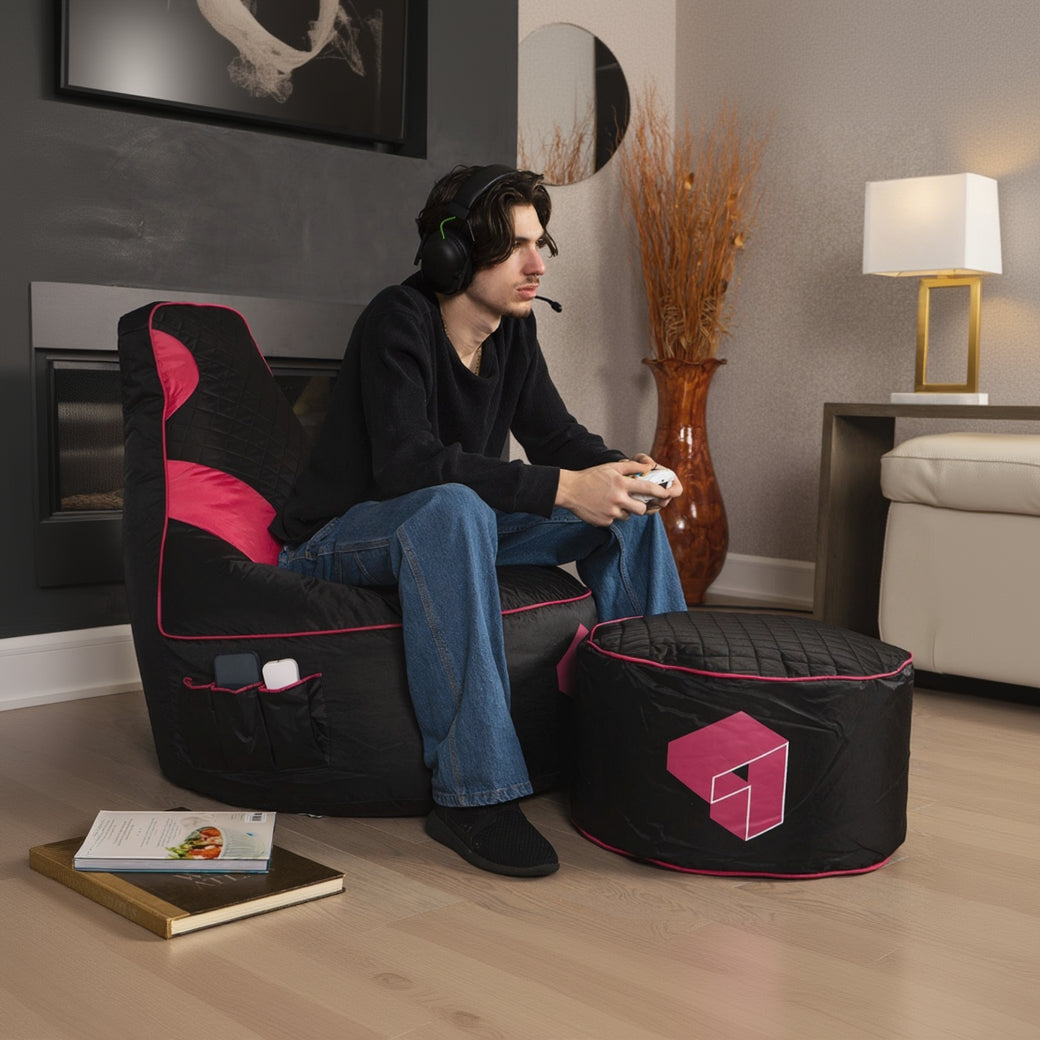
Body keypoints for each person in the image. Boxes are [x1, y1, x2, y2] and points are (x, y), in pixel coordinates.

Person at [271, 164, 687, 877]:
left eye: (539, 244)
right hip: (337, 536)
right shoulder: (397, 319)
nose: (537, 264)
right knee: (455, 505)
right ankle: (474, 795)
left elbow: (555, 436)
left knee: (627, 512)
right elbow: (408, 466)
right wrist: (564, 489)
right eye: (514, 247)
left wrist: (619, 471)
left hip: (451, 527)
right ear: (453, 254)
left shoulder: (514, 332)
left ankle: (664, 736)